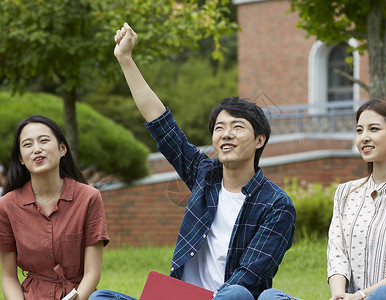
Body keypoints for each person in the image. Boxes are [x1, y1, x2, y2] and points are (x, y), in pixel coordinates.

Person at [89, 23, 296, 300]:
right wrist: (125, 59)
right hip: (179, 297)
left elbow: (248, 277)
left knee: (236, 293)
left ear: (260, 140)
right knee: (101, 297)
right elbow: (161, 125)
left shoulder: (276, 205)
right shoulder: (204, 175)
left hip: (228, 299)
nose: (226, 134)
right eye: (219, 128)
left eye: (237, 127)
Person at [258, 97, 386, 300]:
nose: (364, 137)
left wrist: (361, 296)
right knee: (269, 296)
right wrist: (339, 295)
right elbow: (337, 254)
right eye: (359, 130)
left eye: (374, 129)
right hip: (347, 299)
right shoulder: (346, 192)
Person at [0, 115, 110, 299]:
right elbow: (8, 276)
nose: (36, 149)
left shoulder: (89, 197)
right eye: (27, 144)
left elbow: (92, 273)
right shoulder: (7, 206)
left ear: (62, 149)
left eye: (44, 140)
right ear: (20, 158)